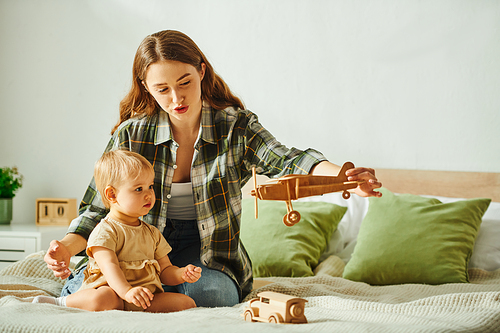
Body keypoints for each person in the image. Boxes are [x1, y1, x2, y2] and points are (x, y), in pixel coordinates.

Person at [44, 30, 382, 308]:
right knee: (85, 290)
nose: (177, 97)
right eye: (162, 89)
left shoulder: (235, 126)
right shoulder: (132, 134)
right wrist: (64, 249)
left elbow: (286, 159)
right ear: (147, 87)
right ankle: (128, 290)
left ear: (201, 72)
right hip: (133, 245)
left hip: (204, 247)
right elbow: (97, 211)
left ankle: (136, 294)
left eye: (185, 82)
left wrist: (342, 175)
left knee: (216, 294)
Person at [35, 150, 201, 312]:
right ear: (112, 194)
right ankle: (61, 302)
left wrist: (181, 273)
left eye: (150, 186)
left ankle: (133, 306)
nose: (149, 194)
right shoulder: (105, 231)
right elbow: (110, 267)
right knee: (104, 299)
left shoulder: (152, 233)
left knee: (186, 303)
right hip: (113, 292)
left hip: (142, 296)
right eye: (138, 189)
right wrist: (127, 292)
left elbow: (165, 271)